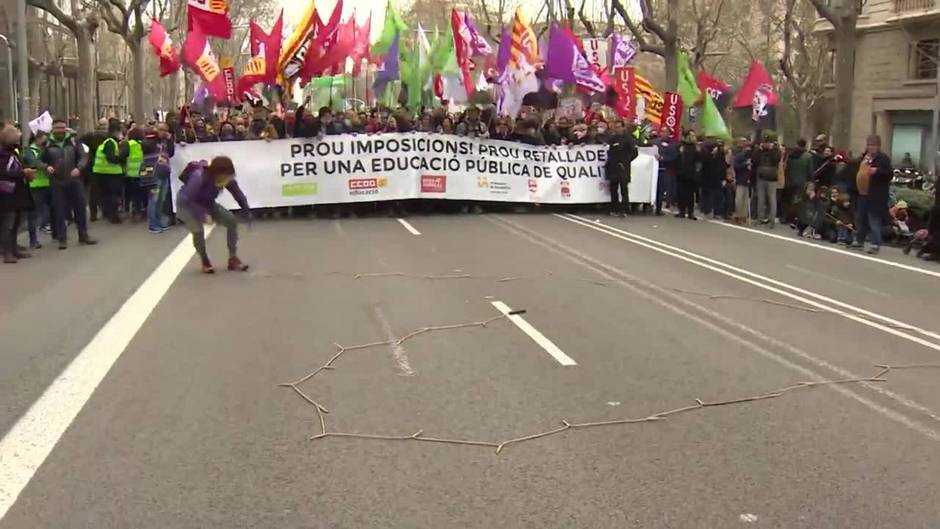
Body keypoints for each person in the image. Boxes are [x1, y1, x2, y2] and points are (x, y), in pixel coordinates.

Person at [176, 156, 250, 274]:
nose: (227, 179)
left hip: (207, 203)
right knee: (198, 231)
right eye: (225, 175)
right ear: (216, 173)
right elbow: (189, 199)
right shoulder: (199, 177)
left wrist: (246, 209)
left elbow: (237, 193)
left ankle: (233, 258)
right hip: (187, 205)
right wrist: (203, 214)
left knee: (231, 221)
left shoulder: (226, 177)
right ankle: (205, 261)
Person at [43, 118, 97, 249]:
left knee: (80, 207)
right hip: (57, 181)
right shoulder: (47, 144)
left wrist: (79, 168)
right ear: (52, 129)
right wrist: (45, 167)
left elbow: (83, 156)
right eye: (57, 128)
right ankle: (62, 239)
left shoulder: (73, 141)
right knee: (59, 210)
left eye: (62, 127)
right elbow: (37, 158)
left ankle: (83, 235)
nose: (60, 130)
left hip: (74, 180)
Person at [851, 135, 893, 254]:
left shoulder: (883, 159)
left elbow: (889, 173)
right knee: (861, 219)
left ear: (878, 146)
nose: (871, 148)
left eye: (873, 145)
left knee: (874, 220)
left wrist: (877, 171)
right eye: (869, 145)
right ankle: (859, 241)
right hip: (863, 193)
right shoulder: (865, 158)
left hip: (876, 194)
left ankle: (875, 243)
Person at [0, 122, 34, 263]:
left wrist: (26, 172)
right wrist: (22, 173)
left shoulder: (14, 152)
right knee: (8, 223)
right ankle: (7, 252)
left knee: (16, 223)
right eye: (16, 137)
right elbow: (4, 172)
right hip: (6, 193)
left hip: (17, 191)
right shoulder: (2, 154)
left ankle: (14, 249)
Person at [94, 121, 129, 224]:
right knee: (113, 196)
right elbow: (111, 158)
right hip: (110, 173)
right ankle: (114, 216)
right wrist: (122, 158)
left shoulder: (109, 142)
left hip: (103, 172)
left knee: (108, 195)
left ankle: (108, 213)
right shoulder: (110, 142)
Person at [23, 131, 51, 248]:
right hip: (34, 185)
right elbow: (34, 163)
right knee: (33, 214)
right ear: (37, 139)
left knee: (49, 208)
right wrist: (45, 166)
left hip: (47, 184)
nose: (45, 142)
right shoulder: (30, 150)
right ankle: (33, 240)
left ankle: (47, 226)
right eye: (44, 139)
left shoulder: (45, 149)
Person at [605, 120, 638, 217]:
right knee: (613, 188)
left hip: (623, 167)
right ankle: (614, 208)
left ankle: (625, 209)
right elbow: (609, 151)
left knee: (624, 188)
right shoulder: (612, 138)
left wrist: (626, 161)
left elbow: (634, 153)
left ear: (623, 127)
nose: (617, 129)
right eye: (616, 127)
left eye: (619, 127)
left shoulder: (628, 139)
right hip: (613, 166)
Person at [81, 118, 109, 221]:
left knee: (94, 191)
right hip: (105, 166)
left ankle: (94, 213)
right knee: (103, 190)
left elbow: (81, 145)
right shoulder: (108, 137)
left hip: (92, 166)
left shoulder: (90, 136)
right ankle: (104, 211)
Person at [752, 131, 782, 228]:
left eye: (767, 142)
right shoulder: (759, 150)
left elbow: (776, 160)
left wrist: (772, 149)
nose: (765, 144)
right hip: (761, 177)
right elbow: (754, 161)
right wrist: (759, 150)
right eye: (764, 142)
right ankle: (760, 219)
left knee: (771, 199)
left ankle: (771, 220)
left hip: (772, 178)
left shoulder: (776, 150)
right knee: (761, 199)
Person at [784, 139, 813, 223]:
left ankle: (788, 217)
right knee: (799, 200)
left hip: (790, 181)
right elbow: (810, 171)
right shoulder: (808, 156)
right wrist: (811, 181)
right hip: (802, 182)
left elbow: (787, 168)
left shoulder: (791, 155)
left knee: (790, 200)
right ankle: (796, 218)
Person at [700, 139, 728, 219]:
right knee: (706, 194)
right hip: (706, 176)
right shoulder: (705, 153)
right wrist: (711, 154)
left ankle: (717, 212)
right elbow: (704, 162)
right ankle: (706, 210)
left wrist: (724, 178)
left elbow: (723, 166)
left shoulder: (721, 153)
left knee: (718, 195)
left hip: (717, 177)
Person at [675, 131, 700, 220]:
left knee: (690, 194)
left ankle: (690, 212)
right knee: (681, 193)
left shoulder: (696, 147)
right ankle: (681, 211)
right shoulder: (681, 146)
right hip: (682, 173)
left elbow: (700, 159)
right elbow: (676, 158)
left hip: (691, 174)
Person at [125, 127, 146, 222]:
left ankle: (136, 212)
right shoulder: (143, 144)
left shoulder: (129, 144)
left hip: (132, 173)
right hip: (143, 172)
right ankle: (143, 211)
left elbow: (123, 155)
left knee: (134, 194)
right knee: (143, 193)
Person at [732, 138, 752, 224]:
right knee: (739, 199)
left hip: (748, 179)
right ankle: (738, 215)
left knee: (745, 199)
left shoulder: (751, 156)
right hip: (740, 179)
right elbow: (736, 166)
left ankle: (744, 216)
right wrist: (745, 164)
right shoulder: (739, 156)